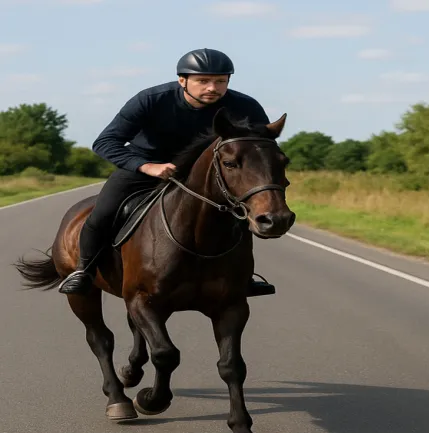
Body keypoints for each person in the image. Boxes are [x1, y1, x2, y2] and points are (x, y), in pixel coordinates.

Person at [58, 48, 276, 297]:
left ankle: (243, 277)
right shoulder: (150, 99)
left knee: (240, 214)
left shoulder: (245, 106)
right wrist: (147, 166)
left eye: (220, 81)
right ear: (182, 80)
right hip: (147, 167)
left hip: (206, 175)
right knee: (103, 213)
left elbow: (261, 147)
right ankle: (84, 271)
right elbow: (105, 142)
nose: (212, 88)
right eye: (203, 81)